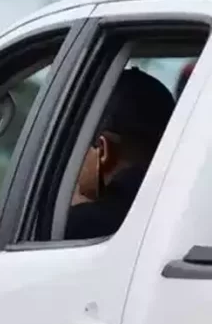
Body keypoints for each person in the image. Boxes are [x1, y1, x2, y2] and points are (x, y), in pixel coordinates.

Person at [65, 67, 175, 240]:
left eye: (78, 143)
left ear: (102, 149)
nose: (72, 160)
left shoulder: (80, 225)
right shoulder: (173, 212)